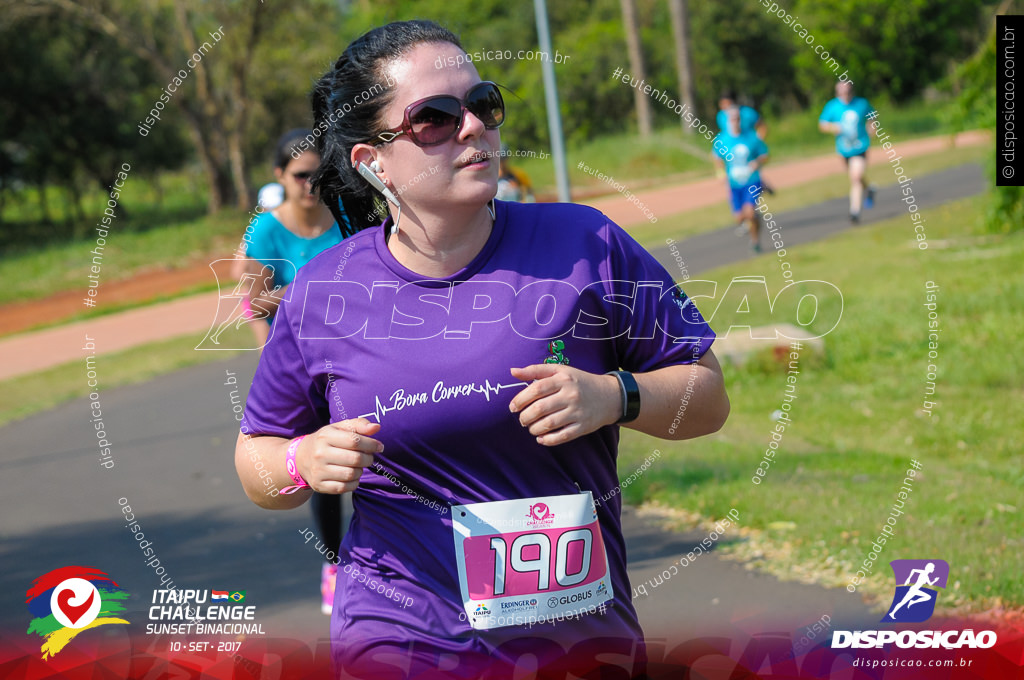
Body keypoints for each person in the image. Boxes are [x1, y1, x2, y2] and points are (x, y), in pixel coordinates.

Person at [234, 20, 729, 678]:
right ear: (372, 161)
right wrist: (302, 459)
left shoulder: (584, 244)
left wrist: (616, 395)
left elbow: (708, 395)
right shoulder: (324, 293)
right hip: (399, 636)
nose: (472, 127)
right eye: (434, 118)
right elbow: (256, 458)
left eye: (483, 104)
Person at [230, 129, 351, 615]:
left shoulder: (344, 216)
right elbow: (254, 301)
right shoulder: (265, 230)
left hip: (354, 351)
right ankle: (335, 563)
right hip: (300, 364)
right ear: (281, 177)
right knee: (326, 465)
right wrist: (305, 294)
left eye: (319, 174)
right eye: (301, 175)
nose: (311, 185)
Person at [818, 80, 878, 223]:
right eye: (841, 92)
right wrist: (833, 128)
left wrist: (872, 128)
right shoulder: (832, 106)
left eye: (847, 92)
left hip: (860, 146)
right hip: (844, 149)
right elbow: (822, 124)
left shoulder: (861, 104)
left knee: (855, 177)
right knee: (856, 177)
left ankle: (854, 212)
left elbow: (872, 117)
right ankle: (869, 189)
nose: (845, 95)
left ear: (852, 91)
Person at [712, 107, 770, 253]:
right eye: (732, 119)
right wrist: (720, 173)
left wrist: (757, 162)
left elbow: (764, 154)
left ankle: (755, 241)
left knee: (749, 212)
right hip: (734, 183)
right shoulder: (722, 139)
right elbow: (716, 157)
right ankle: (755, 218)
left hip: (752, 180)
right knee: (739, 217)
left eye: (737, 119)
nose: (735, 122)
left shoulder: (751, 136)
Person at [716, 90, 773, 196]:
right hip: (731, 147)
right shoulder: (721, 116)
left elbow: (762, 127)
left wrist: (756, 143)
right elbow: (724, 134)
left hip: (747, 146)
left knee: (751, 170)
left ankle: (760, 185)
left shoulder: (748, 113)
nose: (724, 106)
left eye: (726, 103)